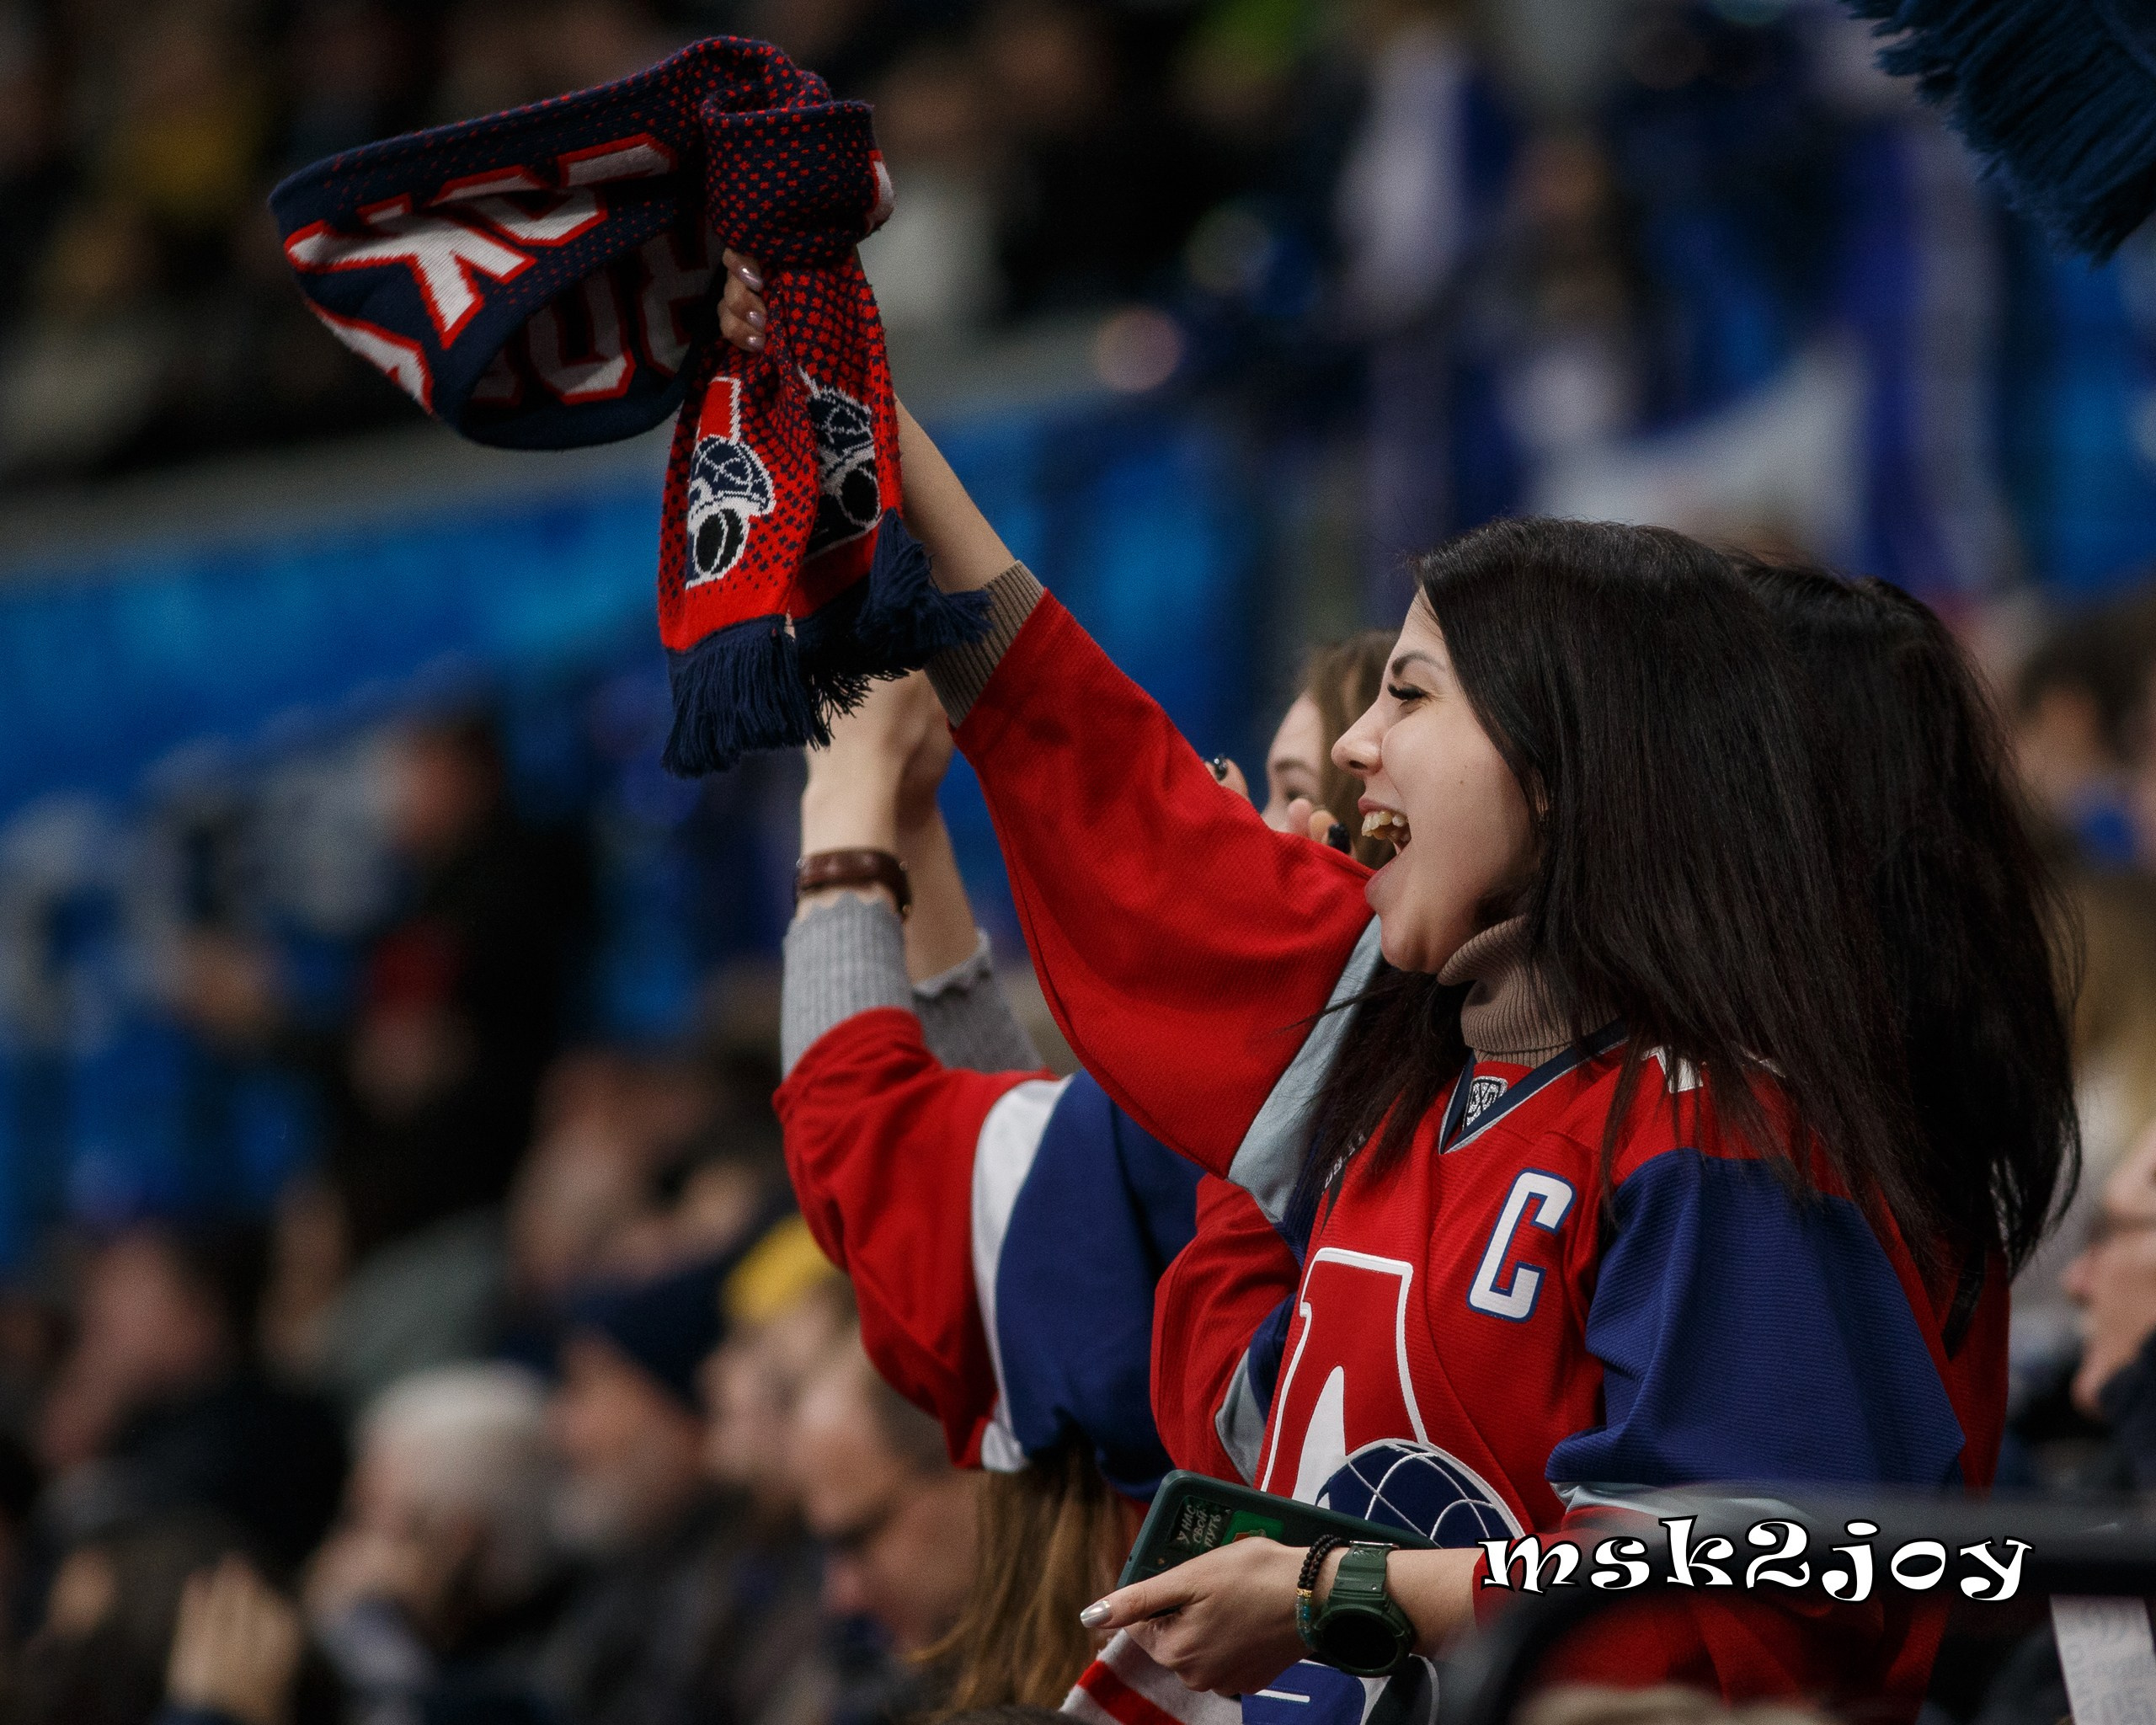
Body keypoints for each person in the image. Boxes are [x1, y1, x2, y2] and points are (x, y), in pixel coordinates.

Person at [715, 254, 2052, 1714]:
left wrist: (1354, 1593)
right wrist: (849, 396)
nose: (1356, 754)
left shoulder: (1731, 1131)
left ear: (1565, 772)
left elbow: (1834, 1582)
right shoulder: (1411, 1062)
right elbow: (1098, 773)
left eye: (1410, 696)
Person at [775, 632, 1393, 1707]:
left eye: (1297, 794)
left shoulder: (1320, 1101)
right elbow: (1022, 1188)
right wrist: (912, 822)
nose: (1250, 824)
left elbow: (872, 1163)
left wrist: (845, 798)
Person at [35, 1220, 347, 1576]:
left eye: (124, 1298)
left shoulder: (274, 1425)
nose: (101, 1320)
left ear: (197, 1309)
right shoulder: (141, 1424)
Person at [306, 1364, 565, 1725]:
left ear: (461, 1539)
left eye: (374, 1524)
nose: (344, 1553)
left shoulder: (541, 1677)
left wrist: (368, 1628)